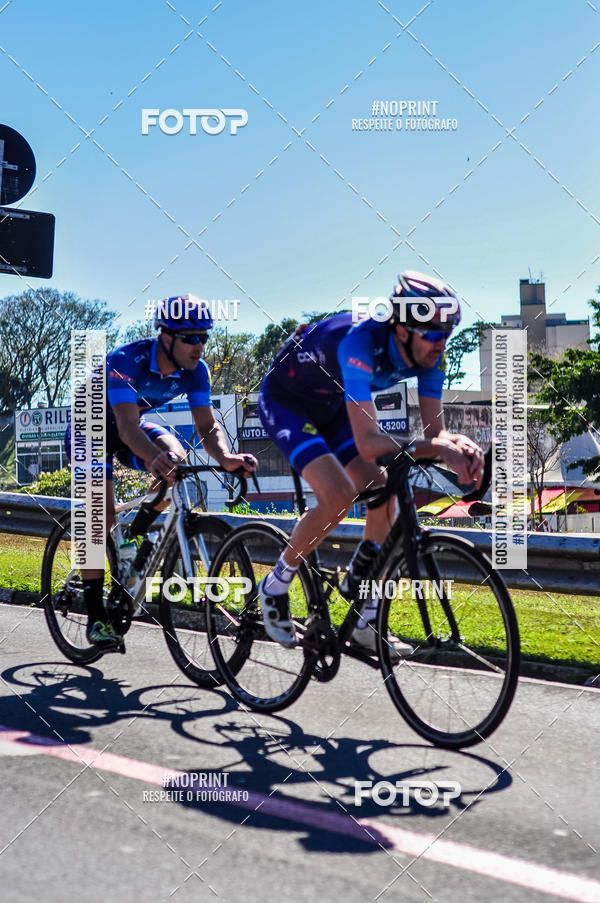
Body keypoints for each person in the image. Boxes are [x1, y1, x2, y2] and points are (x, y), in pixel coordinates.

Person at [257, 271, 484, 657]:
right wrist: (437, 449)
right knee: (339, 496)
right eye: (432, 333)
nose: (440, 343)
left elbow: (436, 430)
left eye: (446, 333)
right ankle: (276, 585)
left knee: (384, 488)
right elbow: (367, 442)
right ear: (401, 329)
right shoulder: (358, 343)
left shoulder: (432, 355)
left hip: (334, 409)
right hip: (288, 403)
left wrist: (459, 443)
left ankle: (364, 616)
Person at [65, 294, 256, 649]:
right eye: (191, 338)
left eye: (205, 337)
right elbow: (124, 427)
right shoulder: (126, 361)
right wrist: (152, 457)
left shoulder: (196, 371)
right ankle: (95, 616)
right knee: (98, 516)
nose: (200, 346)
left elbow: (207, 426)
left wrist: (227, 458)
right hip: (90, 426)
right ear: (166, 337)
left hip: (130, 426)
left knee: (176, 458)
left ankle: (134, 536)